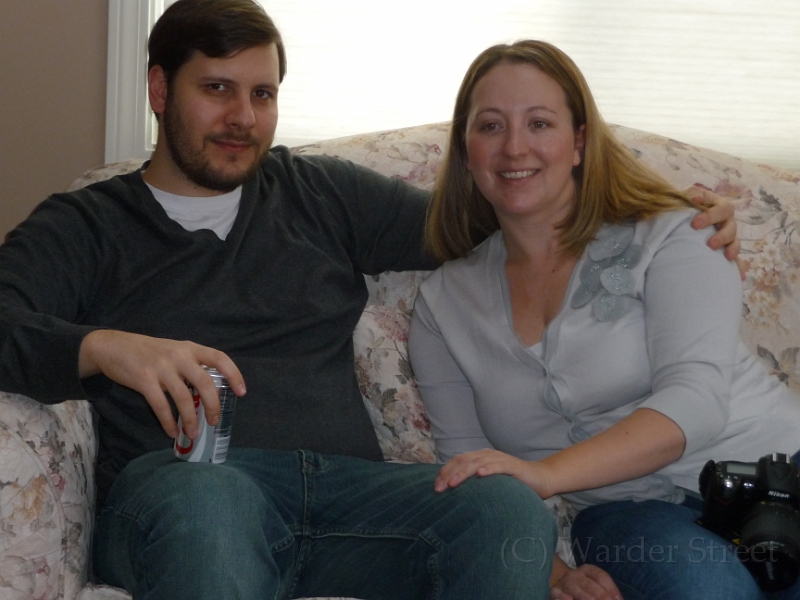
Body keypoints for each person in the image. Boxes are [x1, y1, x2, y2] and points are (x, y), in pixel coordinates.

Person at [0, 2, 737, 597]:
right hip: (185, 495)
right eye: (216, 89)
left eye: (262, 94)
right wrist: (104, 347)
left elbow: (504, 198)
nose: (243, 117)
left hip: (352, 498)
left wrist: (661, 205)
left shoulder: (317, 193)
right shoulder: (86, 226)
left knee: (502, 507)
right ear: (161, 91)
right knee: (212, 502)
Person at [408, 39, 800, 600]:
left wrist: (547, 475)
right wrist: (552, 572)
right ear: (466, 152)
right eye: (491, 126)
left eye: (540, 123)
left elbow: (695, 400)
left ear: (579, 142)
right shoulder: (442, 305)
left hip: (774, 468)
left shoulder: (676, 232)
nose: (514, 147)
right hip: (631, 515)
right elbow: (465, 469)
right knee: (706, 591)